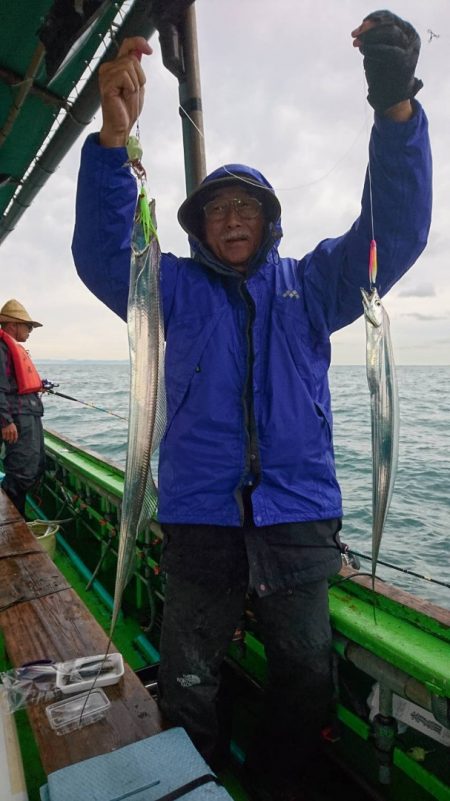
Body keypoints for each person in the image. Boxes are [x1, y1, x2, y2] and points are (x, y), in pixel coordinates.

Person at [72, 10, 432, 799]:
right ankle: (191, 782)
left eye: (247, 208)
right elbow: (103, 257)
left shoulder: (315, 284)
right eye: (216, 210)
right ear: (198, 227)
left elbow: (395, 232)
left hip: (298, 523)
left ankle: (273, 784)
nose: (232, 218)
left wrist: (395, 107)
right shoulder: (167, 287)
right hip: (200, 520)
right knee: (191, 677)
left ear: (269, 222)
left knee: (304, 680)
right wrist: (110, 139)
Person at [0, 299, 45, 517]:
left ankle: (17, 515)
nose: (29, 331)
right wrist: (5, 421)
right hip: (17, 418)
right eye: (27, 326)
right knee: (21, 471)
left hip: (27, 414)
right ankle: (12, 519)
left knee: (34, 465)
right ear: (11, 325)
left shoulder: (11, 348)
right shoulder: (1, 349)